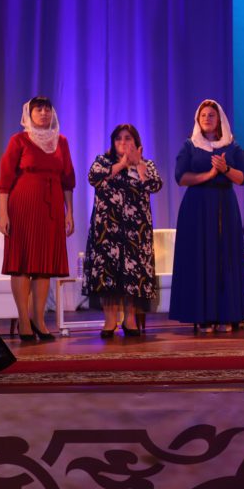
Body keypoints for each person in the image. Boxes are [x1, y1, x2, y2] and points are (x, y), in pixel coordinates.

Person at [0, 96, 76, 342]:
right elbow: (5, 179)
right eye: (38, 109)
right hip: (23, 206)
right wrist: (3, 213)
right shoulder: (19, 140)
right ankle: (24, 320)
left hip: (51, 209)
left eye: (47, 109)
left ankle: (39, 320)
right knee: (21, 264)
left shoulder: (61, 142)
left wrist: (69, 212)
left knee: (44, 265)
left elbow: (68, 181)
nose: (43, 113)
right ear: (29, 114)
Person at [169, 100, 244, 332]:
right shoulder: (190, 145)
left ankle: (228, 314)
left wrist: (225, 169)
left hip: (224, 204)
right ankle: (203, 315)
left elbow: (243, 179)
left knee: (225, 257)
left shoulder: (232, 146)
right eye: (203, 115)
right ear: (198, 119)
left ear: (219, 119)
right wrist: (210, 174)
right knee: (199, 258)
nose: (207, 118)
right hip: (196, 207)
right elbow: (180, 177)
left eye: (211, 115)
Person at [82, 124, 163, 337]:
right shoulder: (103, 161)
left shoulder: (146, 164)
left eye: (128, 138)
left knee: (133, 275)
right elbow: (93, 177)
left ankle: (130, 319)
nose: (123, 142)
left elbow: (155, 185)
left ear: (136, 142)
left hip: (136, 231)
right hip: (107, 229)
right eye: (119, 138)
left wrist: (138, 166)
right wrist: (122, 165)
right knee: (108, 274)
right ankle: (110, 321)